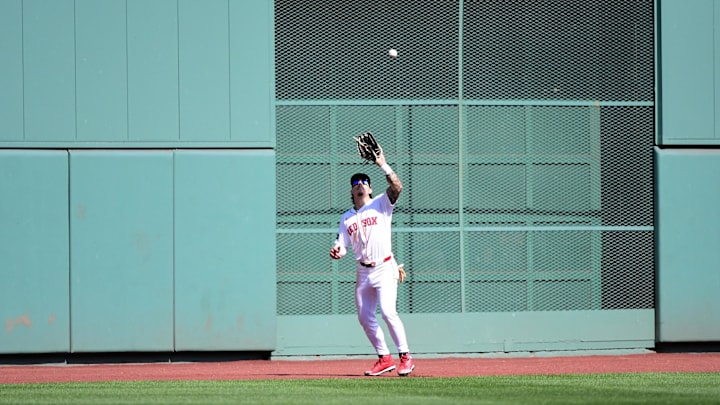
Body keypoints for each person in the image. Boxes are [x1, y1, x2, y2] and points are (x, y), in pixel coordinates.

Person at [329, 150, 415, 377]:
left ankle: (405, 357)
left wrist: (383, 165)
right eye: (355, 182)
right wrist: (338, 250)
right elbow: (343, 243)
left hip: (385, 266)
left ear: (370, 188)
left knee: (387, 312)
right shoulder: (346, 217)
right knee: (365, 316)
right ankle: (384, 357)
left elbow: (397, 187)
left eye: (364, 182)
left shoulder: (381, 204)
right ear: (351, 189)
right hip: (363, 271)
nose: (360, 185)